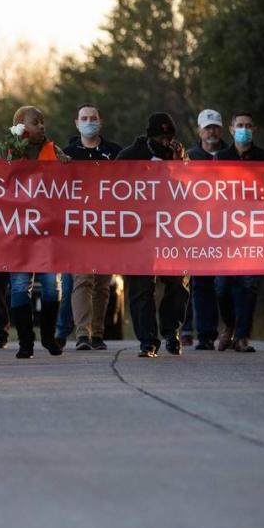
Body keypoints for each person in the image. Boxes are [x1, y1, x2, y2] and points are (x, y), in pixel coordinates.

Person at [0, 105, 71, 359]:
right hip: (18, 232)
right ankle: (26, 342)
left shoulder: (53, 151)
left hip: (48, 231)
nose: (42, 126)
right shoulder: (5, 150)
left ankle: (48, 337)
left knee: (50, 287)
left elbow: (73, 176)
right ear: (21, 126)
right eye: (36, 122)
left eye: (43, 121)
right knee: (20, 286)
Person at [116, 112, 190, 358]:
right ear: (150, 136)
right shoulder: (129, 157)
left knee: (178, 285)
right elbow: (113, 191)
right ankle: (148, 340)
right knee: (141, 288)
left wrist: (179, 167)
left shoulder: (181, 158)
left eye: (170, 137)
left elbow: (189, 193)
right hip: (138, 233)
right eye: (161, 137)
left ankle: (172, 332)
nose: (166, 141)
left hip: (172, 233)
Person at [62, 104, 123, 351]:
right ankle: (82, 335)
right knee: (82, 279)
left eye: (93, 118)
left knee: (102, 284)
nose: (89, 122)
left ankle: (97, 333)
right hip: (79, 227)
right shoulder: (66, 155)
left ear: (101, 121)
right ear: (76, 123)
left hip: (107, 226)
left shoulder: (116, 153)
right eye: (85, 118)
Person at [215, 111, 264, 353]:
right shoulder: (220, 158)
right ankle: (229, 326)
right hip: (224, 231)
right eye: (240, 125)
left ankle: (242, 336)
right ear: (231, 129)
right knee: (221, 285)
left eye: (248, 125)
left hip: (254, 229)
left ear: (254, 129)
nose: (244, 129)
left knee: (248, 283)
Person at [186, 109, 228, 351]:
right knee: (201, 283)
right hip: (198, 229)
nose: (211, 131)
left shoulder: (230, 156)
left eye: (215, 127)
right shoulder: (189, 158)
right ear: (199, 130)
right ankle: (205, 335)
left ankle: (232, 329)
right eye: (207, 127)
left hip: (228, 228)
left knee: (225, 285)